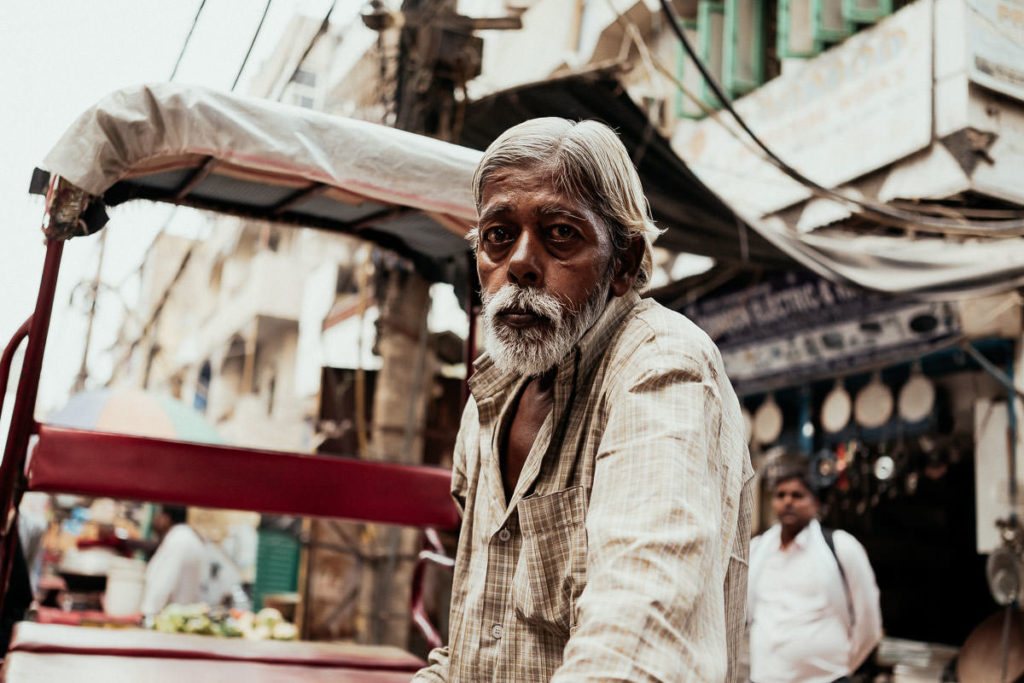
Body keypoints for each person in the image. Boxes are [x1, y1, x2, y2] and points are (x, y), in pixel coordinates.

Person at [413, 118, 754, 681]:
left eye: (561, 234)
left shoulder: (660, 367)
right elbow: (476, 640)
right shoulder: (491, 394)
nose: (520, 263)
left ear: (622, 262)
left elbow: (636, 638)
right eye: (499, 235)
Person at [747, 468, 883, 683]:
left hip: (826, 678)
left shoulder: (841, 546)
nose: (788, 501)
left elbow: (869, 623)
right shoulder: (757, 550)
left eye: (797, 495)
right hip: (765, 677)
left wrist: (843, 667)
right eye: (781, 495)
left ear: (816, 504)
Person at [140, 505, 205, 617]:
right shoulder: (190, 538)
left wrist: (148, 614)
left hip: (166, 617)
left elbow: (163, 582)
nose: (155, 519)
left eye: (158, 515)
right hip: (182, 615)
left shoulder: (178, 539)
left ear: (166, 518)